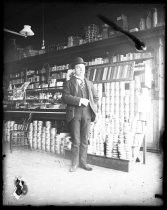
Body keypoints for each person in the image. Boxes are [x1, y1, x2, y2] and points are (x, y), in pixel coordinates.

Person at [62, 57, 99, 172]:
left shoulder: (89, 83)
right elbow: (65, 97)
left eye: (82, 67)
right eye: (78, 68)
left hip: (87, 114)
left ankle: (83, 163)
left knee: (84, 140)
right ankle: (74, 164)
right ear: (74, 70)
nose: (81, 70)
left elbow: (96, 98)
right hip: (74, 115)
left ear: (84, 69)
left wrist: (93, 108)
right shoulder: (68, 83)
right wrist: (79, 100)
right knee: (76, 140)